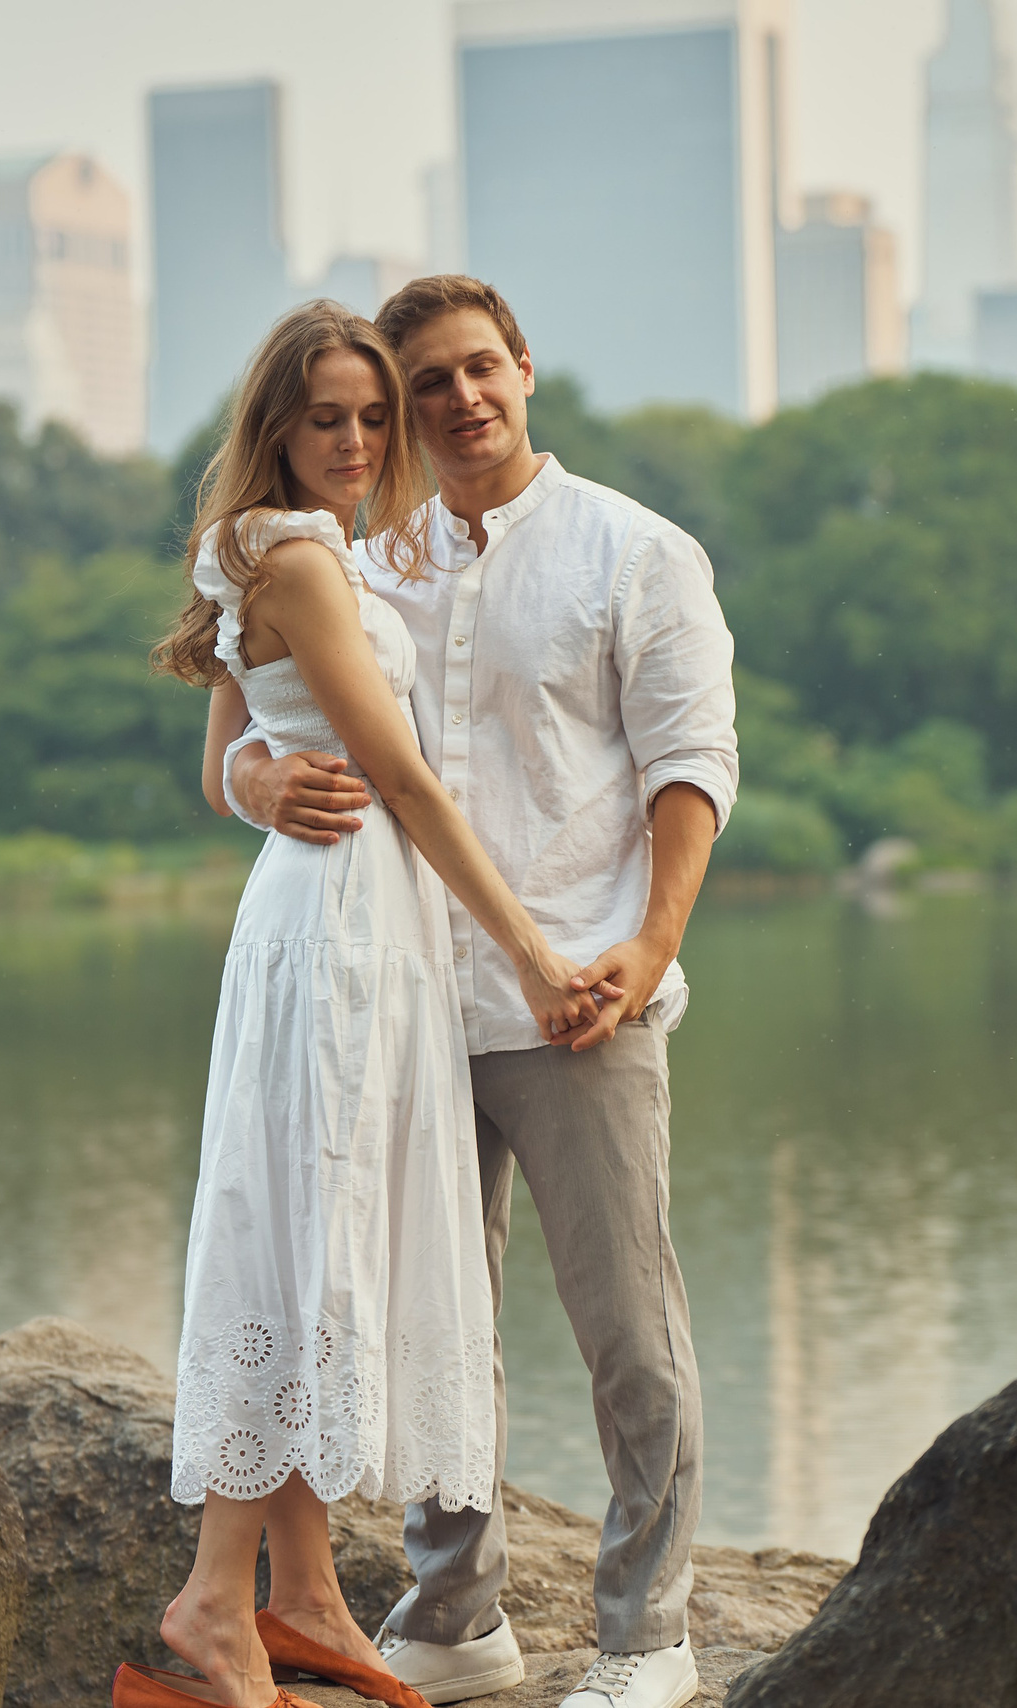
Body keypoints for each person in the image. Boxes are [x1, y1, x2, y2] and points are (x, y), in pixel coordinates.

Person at [225, 276, 737, 1708]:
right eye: (420, 386)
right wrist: (258, 779)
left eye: (474, 371)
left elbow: (693, 768)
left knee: (630, 1334)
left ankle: (652, 1638)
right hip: (396, 1003)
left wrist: (644, 949)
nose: (454, 403)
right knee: (432, 1322)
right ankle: (454, 1615)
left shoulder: (634, 554)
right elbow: (250, 724)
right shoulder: (358, 556)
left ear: (524, 368)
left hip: (572, 997)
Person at [136, 300, 599, 1708]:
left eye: (371, 416)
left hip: (324, 916)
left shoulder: (265, 553)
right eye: (325, 416)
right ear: (275, 425)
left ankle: (316, 1599)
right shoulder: (300, 561)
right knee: (309, 1233)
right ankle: (219, 1603)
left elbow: (225, 761)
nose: (355, 440)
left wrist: (260, 781)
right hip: (339, 928)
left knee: (302, 1219)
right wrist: (524, 945)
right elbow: (397, 775)